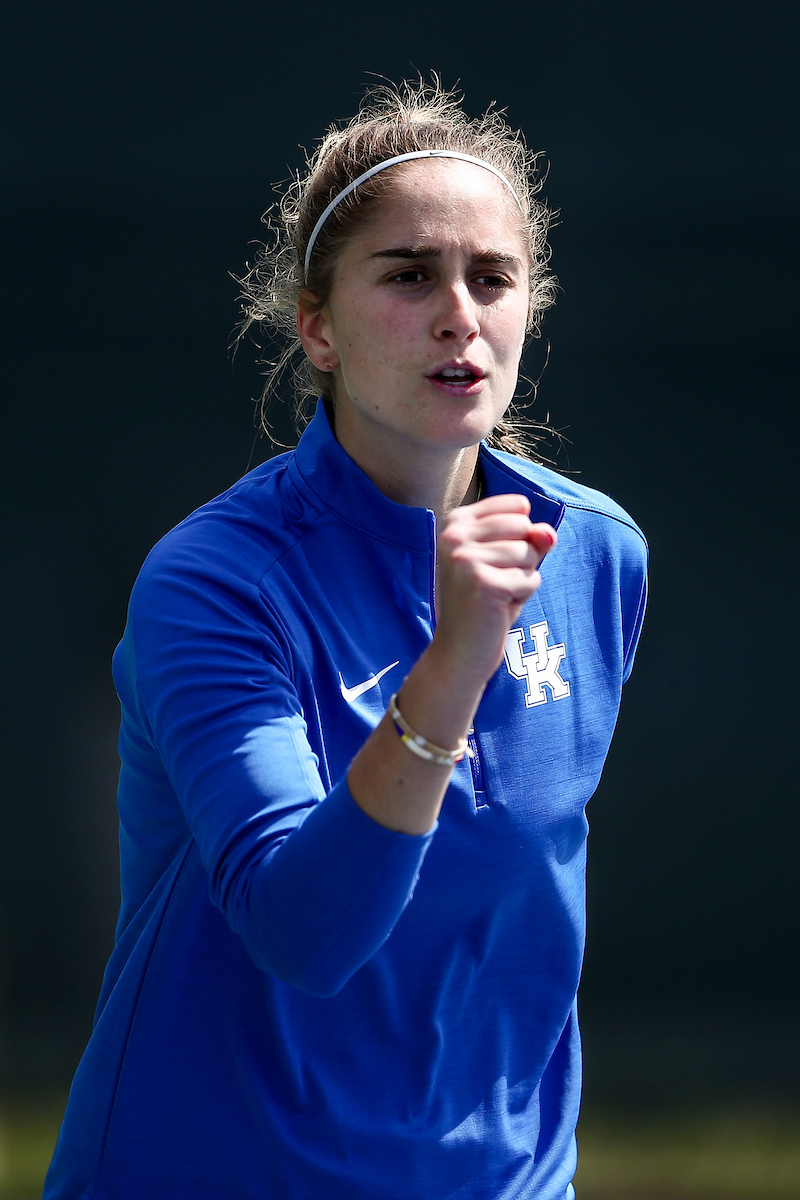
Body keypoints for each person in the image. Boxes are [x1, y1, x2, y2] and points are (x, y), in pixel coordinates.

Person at [45, 81, 647, 1200]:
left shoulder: (595, 553)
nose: (457, 313)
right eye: (409, 274)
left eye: (491, 278)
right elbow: (306, 934)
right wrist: (454, 662)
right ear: (316, 327)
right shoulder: (214, 583)